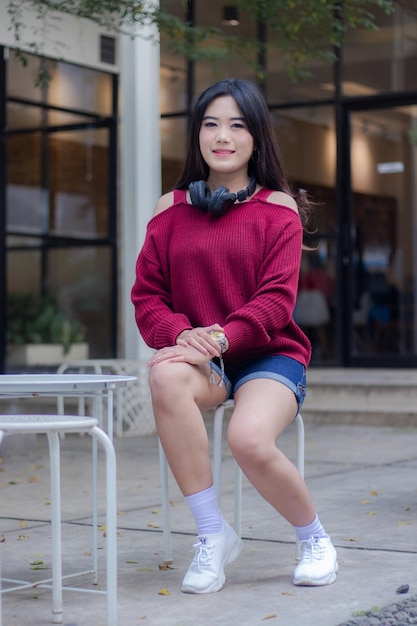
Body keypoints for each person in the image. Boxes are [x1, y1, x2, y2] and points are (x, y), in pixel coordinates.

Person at [131, 78, 338, 594]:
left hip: (268, 353)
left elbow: (275, 301)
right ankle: (212, 534)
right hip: (205, 357)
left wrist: (220, 337)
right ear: (197, 135)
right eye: (211, 125)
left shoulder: (279, 210)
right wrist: (184, 335)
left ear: (256, 137)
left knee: (246, 437)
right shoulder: (169, 210)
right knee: (164, 378)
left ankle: (314, 538)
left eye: (237, 126)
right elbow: (147, 296)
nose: (223, 137)